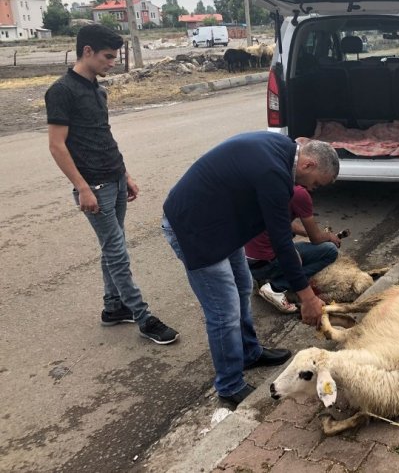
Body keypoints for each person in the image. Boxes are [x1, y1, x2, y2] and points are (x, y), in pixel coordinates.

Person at [161, 132, 339, 405]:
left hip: (222, 224)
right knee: (224, 312)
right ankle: (229, 384)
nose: (313, 190)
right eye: (316, 184)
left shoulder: (285, 152)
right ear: (308, 165)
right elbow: (281, 240)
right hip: (195, 229)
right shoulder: (274, 173)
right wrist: (307, 298)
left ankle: (249, 353)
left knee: (243, 286)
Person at [44, 24, 179, 345]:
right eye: (108, 56)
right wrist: (83, 187)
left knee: (111, 249)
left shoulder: (97, 89)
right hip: (95, 188)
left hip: (114, 180)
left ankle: (113, 308)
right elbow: (57, 146)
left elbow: (103, 137)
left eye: (115, 57)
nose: (113, 62)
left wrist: (125, 174)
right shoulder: (61, 91)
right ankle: (144, 318)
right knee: (117, 253)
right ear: (87, 51)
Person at [246, 184, 340, 314]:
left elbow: (285, 223)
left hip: (248, 263)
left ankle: (262, 279)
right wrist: (328, 236)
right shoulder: (299, 193)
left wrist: (305, 232)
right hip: (266, 262)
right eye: (318, 181)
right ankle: (276, 287)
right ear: (308, 166)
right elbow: (316, 238)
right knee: (330, 250)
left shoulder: (273, 185)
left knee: (292, 252)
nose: (317, 186)